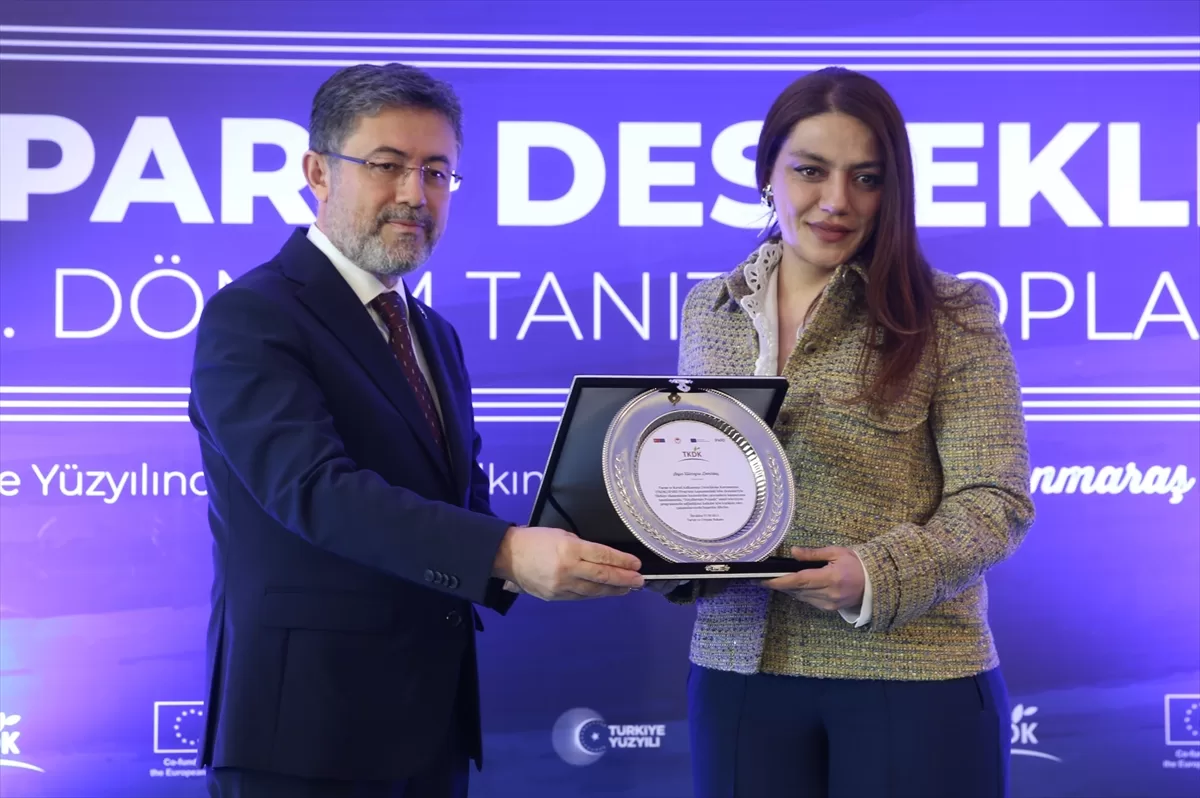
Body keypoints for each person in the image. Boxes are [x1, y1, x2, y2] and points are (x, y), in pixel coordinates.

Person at [188, 63, 645, 798]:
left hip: (430, 730)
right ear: (318, 172)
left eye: (436, 171)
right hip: (302, 735)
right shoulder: (253, 315)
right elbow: (315, 491)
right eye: (387, 164)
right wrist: (506, 551)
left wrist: (591, 546)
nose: (414, 193)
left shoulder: (432, 332)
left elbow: (458, 503)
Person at [663, 67, 1035, 798]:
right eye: (810, 171)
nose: (837, 200)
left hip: (912, 670)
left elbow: (996, 501)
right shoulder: (709, 309)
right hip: (737, 669)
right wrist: (660, 543)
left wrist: (874, 573)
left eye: (866, 178)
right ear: (766, 175)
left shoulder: (951, 314)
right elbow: (694, 481)